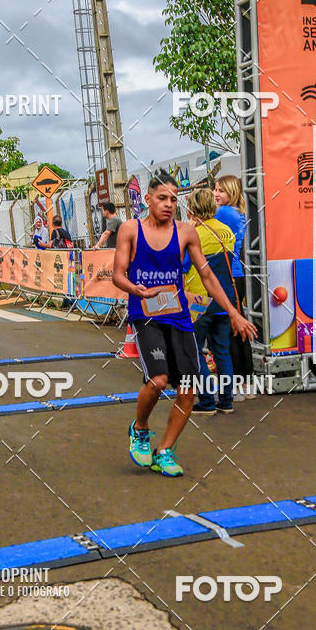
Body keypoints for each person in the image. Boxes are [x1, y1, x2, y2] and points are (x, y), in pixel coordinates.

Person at [113, 170, 257, 478]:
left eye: (173, 199)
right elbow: (118, 274)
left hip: (178, 317)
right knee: (159, 380)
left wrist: (233, 312)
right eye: (162, 198)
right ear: (148, 199)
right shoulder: (129, 229)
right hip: (147, 315)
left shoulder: (186, 232)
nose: (168, 204)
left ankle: (164, 451)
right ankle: (140, 429)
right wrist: (135, 289)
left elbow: (208, 276)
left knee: (189, 388)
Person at [183, 188, 237, 415]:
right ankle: (226, 401)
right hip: (225, 299)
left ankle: (206, 402)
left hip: (199, 300)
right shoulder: (227, 231)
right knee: (222, 352)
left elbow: (184, 266)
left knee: (195, 351)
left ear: (192, 208)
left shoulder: (193, 234)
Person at [214, 174, 255, 397]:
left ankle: (236, 385)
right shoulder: (238, 213)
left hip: (228, 275)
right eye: (215, 189)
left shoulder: (223, 213)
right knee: (238, 328)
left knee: (228, 330)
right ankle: (246, 382)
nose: (215, 194)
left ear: (231, 192)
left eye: (220, 190)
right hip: (236, 275)